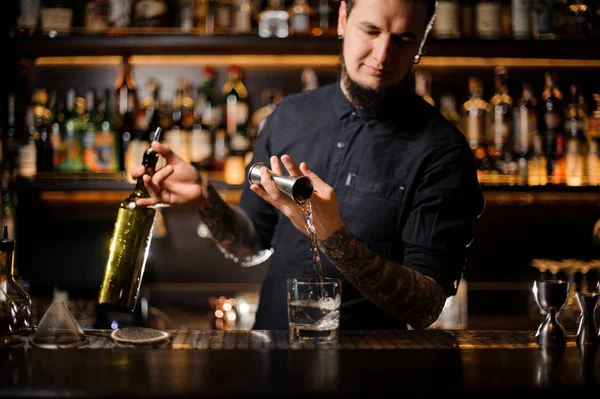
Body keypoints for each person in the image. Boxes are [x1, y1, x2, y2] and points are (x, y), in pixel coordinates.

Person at [133, 0, 485, 331]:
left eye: (404, 39)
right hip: (270, 359)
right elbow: (252, 244)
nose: (383, 54)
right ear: (343, 19)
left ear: (422, 40)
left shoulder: (443, 151)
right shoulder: (289, 115)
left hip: (371, 370)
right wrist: (204, 200)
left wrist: (334, 236)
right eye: (371, 31)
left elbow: (425, 306)